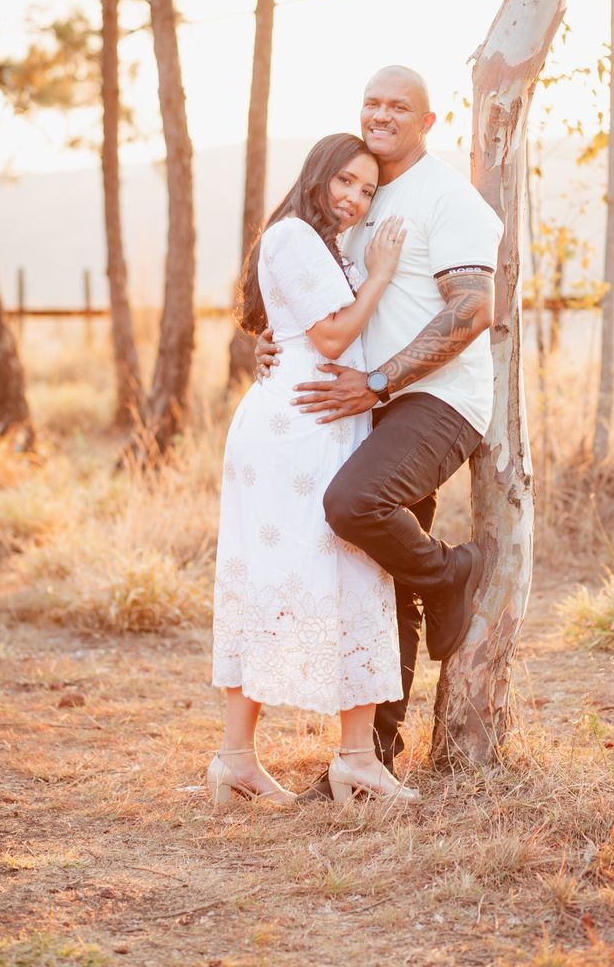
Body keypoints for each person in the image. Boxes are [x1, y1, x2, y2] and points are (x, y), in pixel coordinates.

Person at [256, 66, 503, 798]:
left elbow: (472, 309)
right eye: (372, 102)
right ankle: (370, 761)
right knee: (374, 581)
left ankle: (451, 573)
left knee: (352, 504)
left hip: (437, 400)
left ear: (427, 123)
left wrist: (379, 380)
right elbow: (314, 298)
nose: (381, 114)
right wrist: (268, 341)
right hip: (371, 403)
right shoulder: (356, 195)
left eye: (399, 106)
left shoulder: (448, 199)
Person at [209, 132, 420, 808]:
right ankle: (253, 760)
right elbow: (329, 336)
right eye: (345, 181)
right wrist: (381, 273)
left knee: (342, 572)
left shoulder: (325, 246)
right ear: (317, 175)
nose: (355, 197)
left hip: (322, 421)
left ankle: (333, 758)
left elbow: (308, 328)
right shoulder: (295, 235)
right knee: (293, 574)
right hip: (296, 429)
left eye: (367, 189)